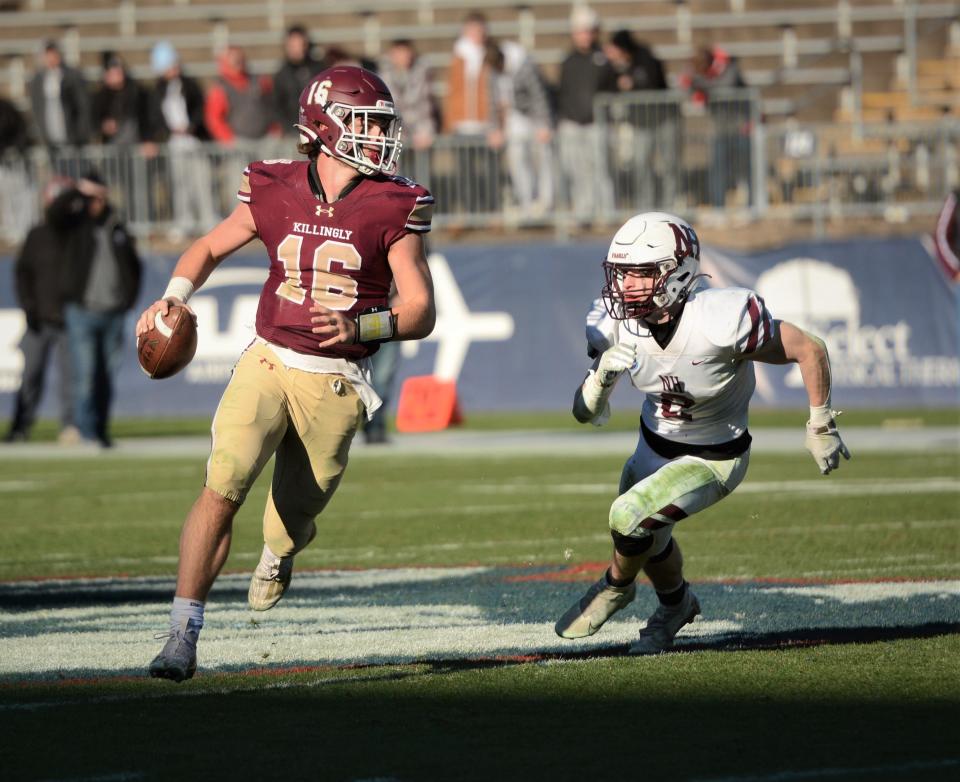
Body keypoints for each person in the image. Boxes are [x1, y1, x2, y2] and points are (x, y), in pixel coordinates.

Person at [141, 65, 436, 681]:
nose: (380, 136)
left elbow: (419, 310)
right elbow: (210, 247)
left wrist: (364, 327)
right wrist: (176, 294)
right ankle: (181, 632)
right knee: (223, 483)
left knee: (295, 515)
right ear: (326, 125)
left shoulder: (394, 202)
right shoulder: (272, 185)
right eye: (366, 122)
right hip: (270, 356)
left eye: (382, 124)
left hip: (337, 378)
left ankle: (278, 552)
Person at [555, 212, 850, 654]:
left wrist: (821, 422)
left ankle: (615, 587)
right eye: (622, 274)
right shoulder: (615, 323)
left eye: (641, 273)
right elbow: (584, 414)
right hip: (652, 446)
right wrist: (599, 381)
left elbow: (810, 349)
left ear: (678, 272)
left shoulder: (720, 319)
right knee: (649, 540)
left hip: (713, 457)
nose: (627, 286)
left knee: (628, 515)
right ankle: (676, 606)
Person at [53, 172, 142, 448]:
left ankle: (100, 431)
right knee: (86, 375)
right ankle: (84, 429)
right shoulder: (75, 224)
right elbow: (55, 213)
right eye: (92, 198)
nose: (97, 203)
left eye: (100, 197)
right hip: (83, 311)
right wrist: (79, 192)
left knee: (105, 376)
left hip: (113, 312)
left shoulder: (116, 226)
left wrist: (128, 299)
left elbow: (134, 266)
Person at [4, 178, 77, 444]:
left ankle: (70, 425)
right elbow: (22, 274)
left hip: (69, 317)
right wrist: (29, 307)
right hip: (39, 318)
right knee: (30, 375)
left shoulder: (77, 234)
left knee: (71, 377)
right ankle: (20, 426)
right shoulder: (37, 235)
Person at [144, 41, 217, 238]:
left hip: (194, 140)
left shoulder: (190, 84)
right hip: (174, 143)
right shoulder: (158, 90)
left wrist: (191, 126)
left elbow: (199, 110)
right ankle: (184, 221)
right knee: (179, 184)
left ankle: (208, 220)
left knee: (201, 181)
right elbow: (155, 117)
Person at [556, 5, 618, 227]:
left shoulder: (604, 58)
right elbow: (564, 91)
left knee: (602, 169)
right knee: (579, 171)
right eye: (581, 31)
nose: (585, 36)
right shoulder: (568, 60)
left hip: (598, 123)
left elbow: (613, 88)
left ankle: (606, 212)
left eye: (589, 31)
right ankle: (584, 213)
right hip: (574, 123)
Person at [484, 38, 554, 218]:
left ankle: (546, 203)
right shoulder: (494, 72)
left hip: (533, 119)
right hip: (513, 119)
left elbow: (538, 96)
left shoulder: (524, 65)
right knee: (517, 160)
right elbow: (493, 101)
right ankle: (526, 202)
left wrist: (544, 124)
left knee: (542, 159)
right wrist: (495, 128)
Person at [680, 45, 751, 208]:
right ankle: (719, 208)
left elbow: (726, 86)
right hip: (720, 129)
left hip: (741, 127)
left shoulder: (729, 66)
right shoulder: (702, 76)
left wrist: (701, 85)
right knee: (718, 171)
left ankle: (749, 206)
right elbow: (686, 85)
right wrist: (692, 81)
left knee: (745, 170)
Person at [204, 46, 278, 144]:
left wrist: (275, 129)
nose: (238, 61)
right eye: (234, 59)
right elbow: (214, 118)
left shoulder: (260, 81)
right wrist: (229, 140)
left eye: (240, 58)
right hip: (238, 144)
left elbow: (273, 105)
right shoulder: (220, 88)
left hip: (265, 139)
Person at [28, 40, 91, 153]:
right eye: (48, 55)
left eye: (53, 54)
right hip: (50, 137)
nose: (51, 59)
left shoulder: (73, 76)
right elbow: (37, 108)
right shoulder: (37, 80)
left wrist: (81, 133)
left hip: (72, 137)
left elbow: (83, 105)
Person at [273, 25, 325, 138]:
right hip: (292, 133)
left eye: (301, 44)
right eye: (293, 45)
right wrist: (286, 127)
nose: (298, 49)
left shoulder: (319, 69)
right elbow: (277, 105)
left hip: (318, 132)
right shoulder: (282, 74)